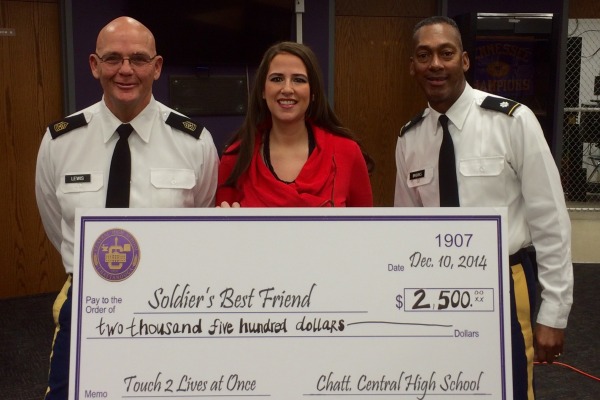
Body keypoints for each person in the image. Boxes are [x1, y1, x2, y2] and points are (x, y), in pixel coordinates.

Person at [35, 16, 218, 399]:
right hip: (88, 301)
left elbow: (202, 214)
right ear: (94, 65)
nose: (125, 70)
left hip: (168, 303)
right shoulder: (59, 142)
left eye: (138, 58)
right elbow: (57, 224)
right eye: (113, 58)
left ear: (157, 66)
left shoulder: (194, 142)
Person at [394, 16, 573, 400]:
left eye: (446, 53)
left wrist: (554, 313)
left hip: (506, 283)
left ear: (465, 61)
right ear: (413, 66)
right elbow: (405, 230)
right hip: (436, 288)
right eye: (424, 55)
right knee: (444, 386)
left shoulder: (512, 122)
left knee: (509, 387)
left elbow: (551, 222)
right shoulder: (409, 139)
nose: (435, 64)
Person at [216, 41, 373, 207]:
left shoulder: (346, 151)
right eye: (277, 79)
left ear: (313, 93)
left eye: (298, 80)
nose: (287, 89)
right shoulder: (235, 158)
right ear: (263, 90)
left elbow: (367, 230)